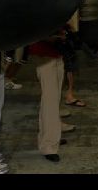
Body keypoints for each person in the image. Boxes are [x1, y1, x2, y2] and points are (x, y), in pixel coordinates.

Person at [29, 29, 76, 163]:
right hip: (43, 54)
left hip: (57, 52)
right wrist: (55, 35)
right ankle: (48, 145)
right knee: (49, 101)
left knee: (54, 99)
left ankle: (53, 134)